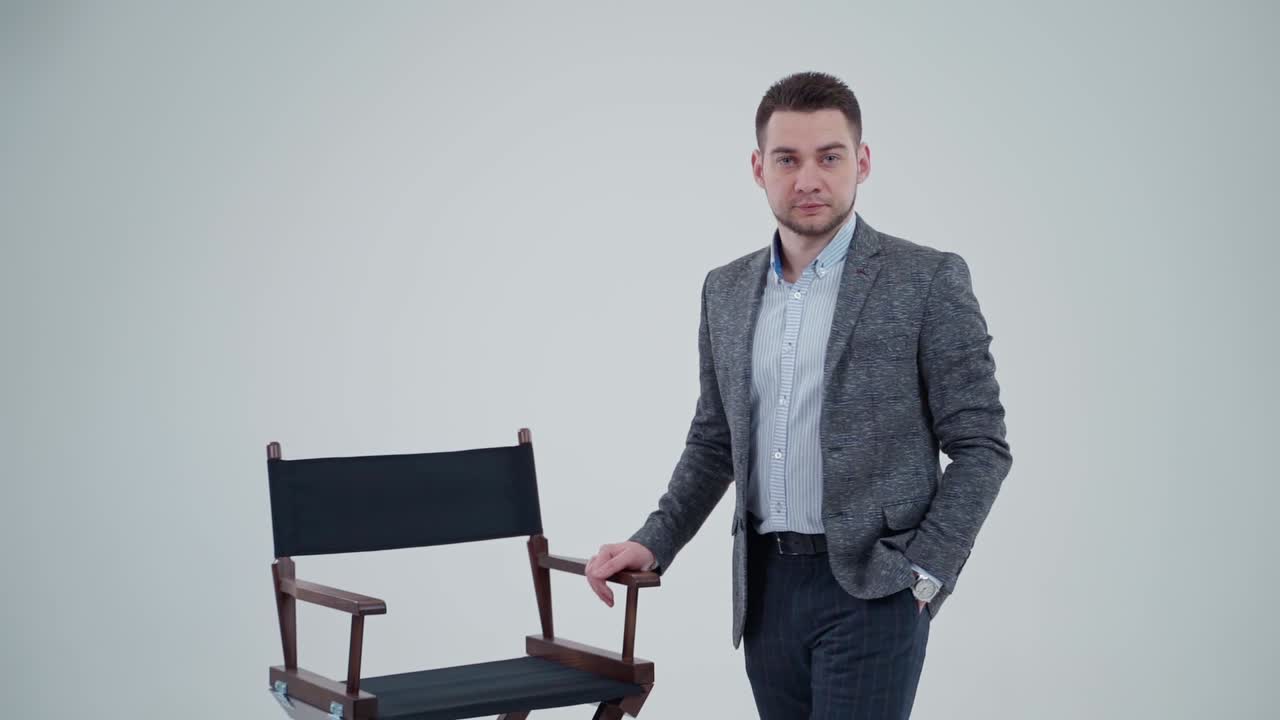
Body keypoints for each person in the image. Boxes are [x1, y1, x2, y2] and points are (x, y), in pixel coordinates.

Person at [583, 71, 1012, 719]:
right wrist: (656, 539)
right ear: (759, 168)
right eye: (787, 159)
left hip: (874, 587)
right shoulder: (724, 291)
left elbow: (980, 446)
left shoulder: (926, 280)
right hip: (766, 593)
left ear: (861, 163)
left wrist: (925, 574)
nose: (807, 178)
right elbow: (715, 439)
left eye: (829, 157)